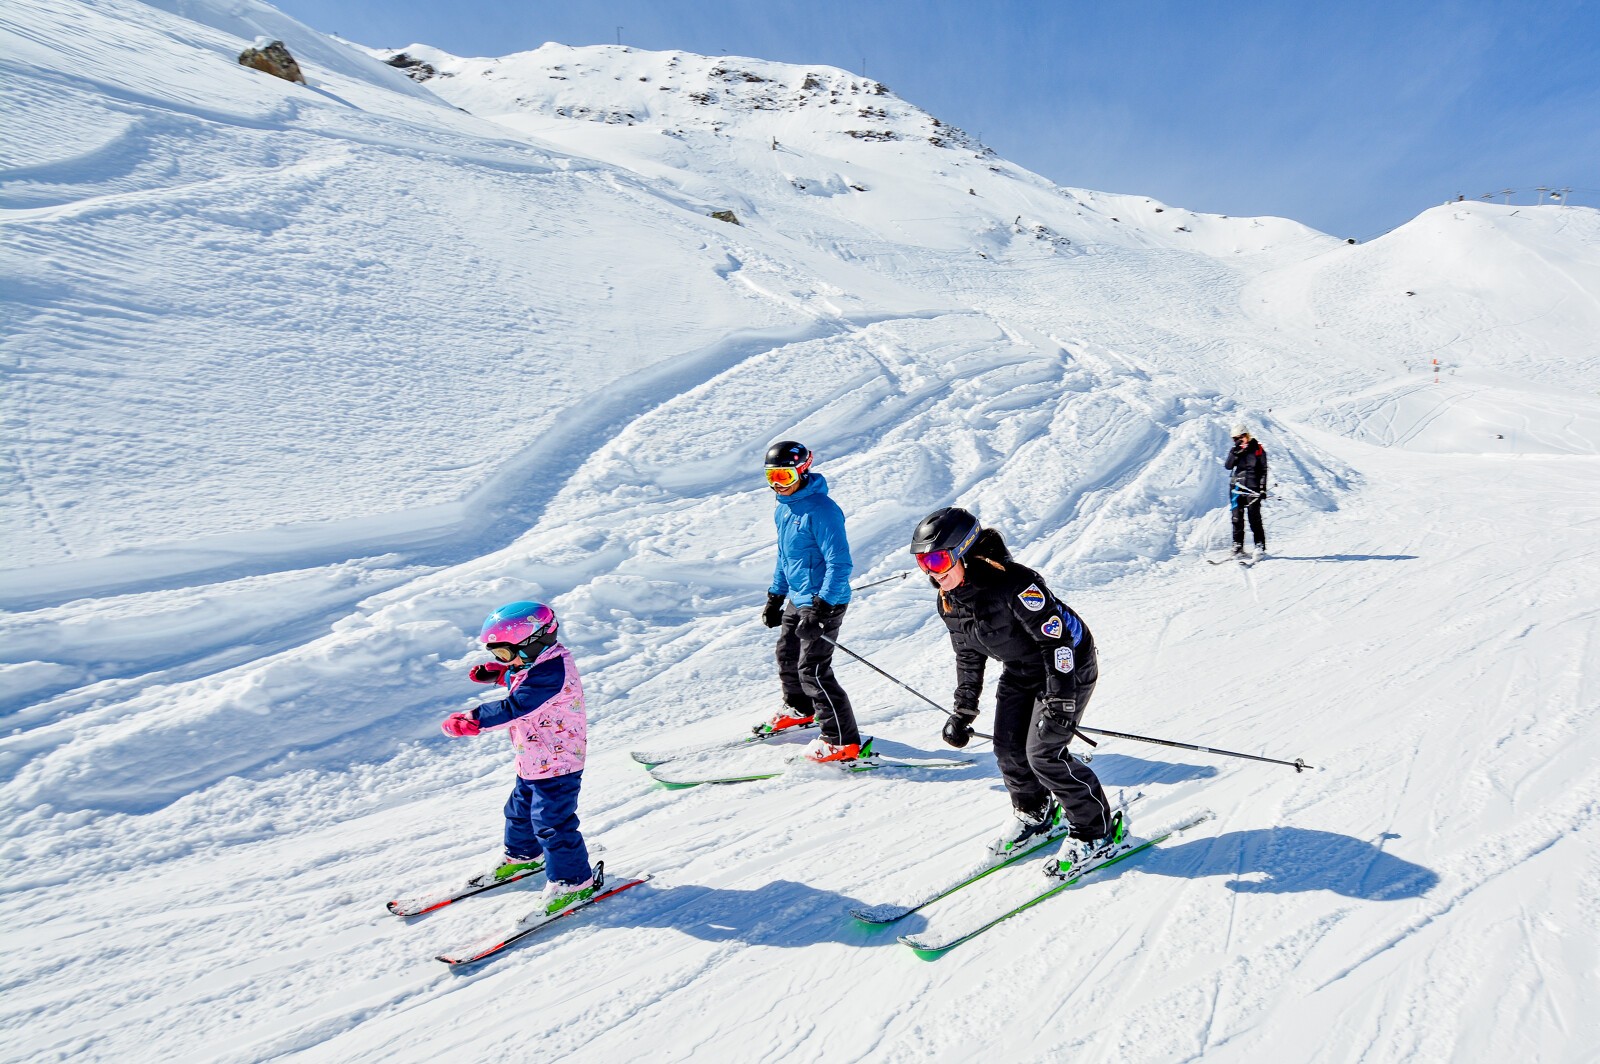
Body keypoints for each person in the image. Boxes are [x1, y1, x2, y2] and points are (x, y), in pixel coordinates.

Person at [911, 506, 1125, 874]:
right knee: (1008, 749)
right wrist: (963, 711)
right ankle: (1035, 811)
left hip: (1067, 665)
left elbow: (1057, 643)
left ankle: (1095, 830)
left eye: (937, 558)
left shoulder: (1015, 584)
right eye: (922, 562)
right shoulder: (948, 599)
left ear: (962, 550)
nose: (931, 571)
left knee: (1044, 753)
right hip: (1021, 668)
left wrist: (1061, 700)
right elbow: (968, 656)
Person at [441, 601, 597, 914]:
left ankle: (574, 882)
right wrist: (500, 673)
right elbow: (523, 676)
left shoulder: (550, 673)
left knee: (552, 822)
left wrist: (474, 718)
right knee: (518, 809)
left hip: (558, 763)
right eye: (496, 655)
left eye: (503, 654)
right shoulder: (537, 662)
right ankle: (524, 855)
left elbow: (517, 707)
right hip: (534, 758)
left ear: (530, 644)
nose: (502, 660)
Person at [757, 440, 863, 762]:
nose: (778, 484)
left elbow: (840, 564)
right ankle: (799, 708)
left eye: (784, 477)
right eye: (771, 477)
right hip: (798, 597)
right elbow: (785, 557)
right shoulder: (783, 508)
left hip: (824, 601)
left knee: (813, 670)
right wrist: (776, 595)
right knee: (786, 655)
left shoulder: (822, 510)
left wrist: (822, 607)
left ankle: (842, 741)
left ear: (802, 472)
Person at [1225, 422, 1269, 557]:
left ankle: (1259, 545)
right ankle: (1237, 545)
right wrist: (1235, 452)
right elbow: (1228, 466)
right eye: (1235, 439)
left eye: (1240, 437)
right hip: (1237, 487)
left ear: (1246, 435)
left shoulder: (1258, 449)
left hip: (1252, 488)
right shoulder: (1236, 450)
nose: (1237, 441)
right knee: (1236, 518)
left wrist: (1262, 489)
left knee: (1254, 517)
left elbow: (1263, 470)